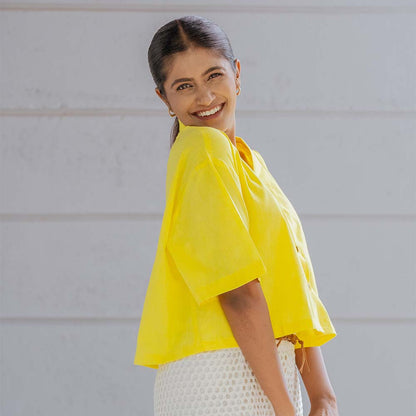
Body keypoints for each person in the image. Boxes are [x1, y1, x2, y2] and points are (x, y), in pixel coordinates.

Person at [134, 15, 339, 416]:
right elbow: (238, 291)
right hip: (223, 377)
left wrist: (322, 396)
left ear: (237, 74)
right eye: (184, 86)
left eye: (214, 75)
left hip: (259, 371)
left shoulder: (247, 162)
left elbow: (289, 284)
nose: (205, 96)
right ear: (165, 99)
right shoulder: (203, 152)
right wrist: (286, 408)